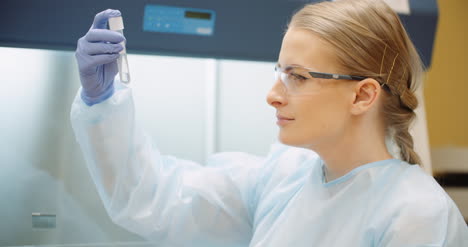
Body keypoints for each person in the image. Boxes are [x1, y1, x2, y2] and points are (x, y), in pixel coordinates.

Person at [71, 0, 468, 246]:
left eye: (298, 76)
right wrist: (101, 101)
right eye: (281, 72)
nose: (273, 95)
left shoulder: (416, 215)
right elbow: (157, 200)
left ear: (362, 95)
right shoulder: (285, 176)